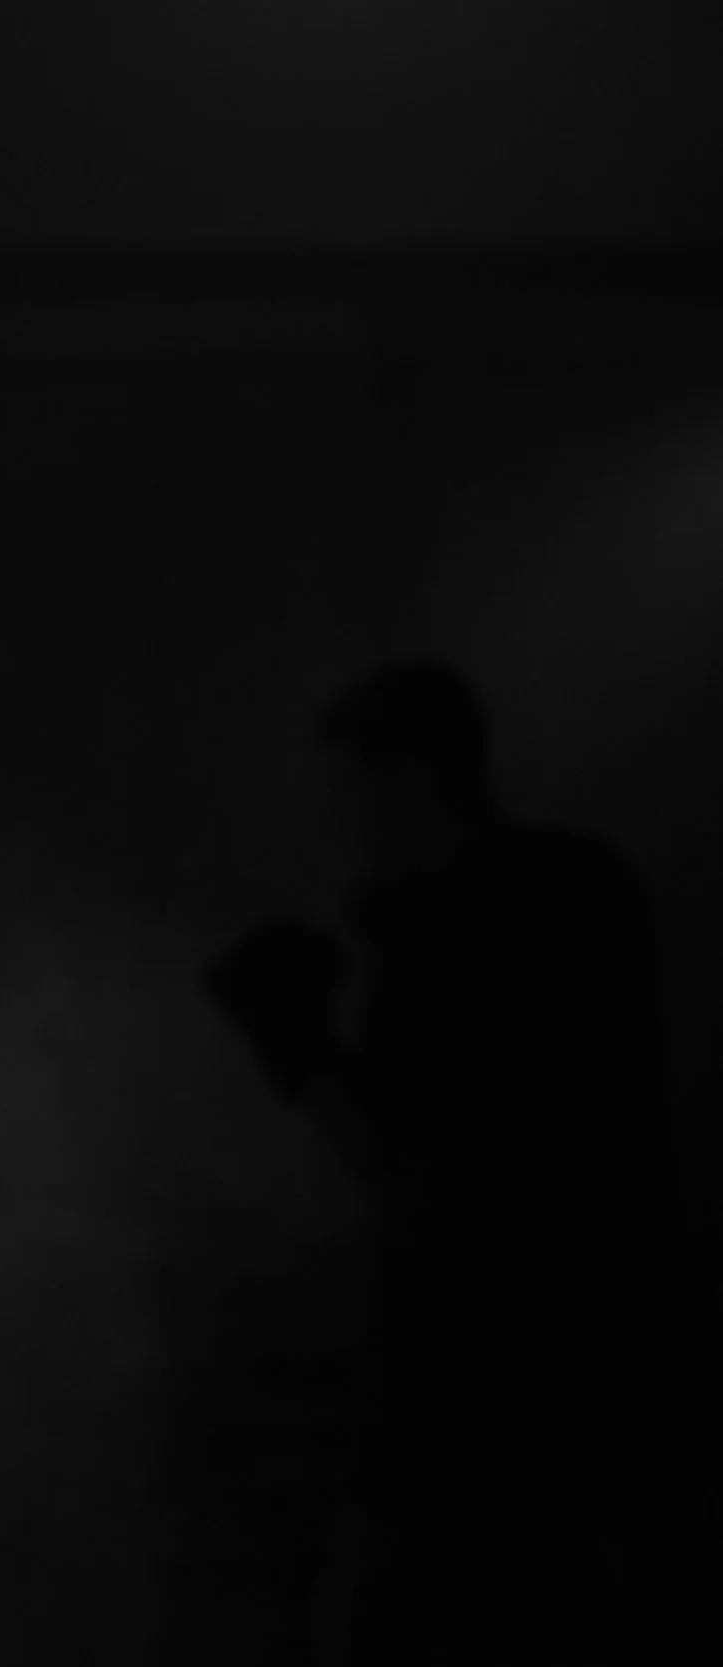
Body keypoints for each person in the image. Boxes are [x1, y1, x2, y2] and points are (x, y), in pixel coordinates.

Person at [204, 657, 711, 1665]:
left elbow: (418, 1188)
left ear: (404, 778)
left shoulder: (472, 920)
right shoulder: (576, 884)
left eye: (345, 798)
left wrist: (300, 1051)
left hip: (483, 1412)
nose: (336, 830)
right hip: (589, 1397)